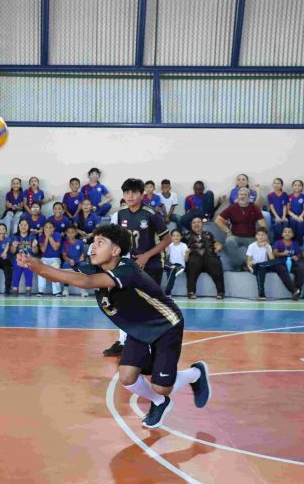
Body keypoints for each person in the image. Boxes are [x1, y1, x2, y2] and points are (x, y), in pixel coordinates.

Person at [17, 223, 212, 429]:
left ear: (116, 250)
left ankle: (196, 374)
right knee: (127, 377)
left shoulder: (127, 270)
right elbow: (67, 273)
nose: (93, 247)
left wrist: (39, 266)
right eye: (93, 242)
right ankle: (159, 403)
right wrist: (33, 265)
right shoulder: (95, 267)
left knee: (161, 386)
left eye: (100, 243)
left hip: (165, 325)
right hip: (138, 329)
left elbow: (86, 282)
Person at [103, 178, 171, 356]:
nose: (130, 196)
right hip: (130, 264)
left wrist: (147, 255)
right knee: (124, 303)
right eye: (126, 192)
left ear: (142, 194)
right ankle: (123, 341)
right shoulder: (120, 215)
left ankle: (150, 343)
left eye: (133, 192)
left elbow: (167, 239)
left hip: (152, 264)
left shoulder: (151, 214)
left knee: (148, 306)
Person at [215, 187, 265, 270]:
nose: (242, 196)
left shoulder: (254, 207)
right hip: (235, 236)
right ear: (237, 196)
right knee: (229, 241)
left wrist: (263, 236)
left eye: (245, 195)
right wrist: (227, 231)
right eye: (241, 194)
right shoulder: (232, 207)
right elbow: (218, 220)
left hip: (251, 237)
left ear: (248, 197)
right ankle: (238, 265)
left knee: (260, 245)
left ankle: (253, 266)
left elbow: (262, 223)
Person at [246, 228, 299, 300]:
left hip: (266, 265)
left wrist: (267, 248)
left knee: (280, 267)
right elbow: (248, 260)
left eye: (262, 235)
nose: (260, 237)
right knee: (260, 267)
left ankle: (293, 290)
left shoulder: (268, 246)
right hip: (256, 266)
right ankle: (261, 294)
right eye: (259, 235)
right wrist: (250, 264)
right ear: (256, 236)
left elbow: (272, 259)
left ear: (266, 237)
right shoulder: (251, 246)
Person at [183, 216, 225, 299]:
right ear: (191, 225)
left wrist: (219, 246)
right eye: (194, 223)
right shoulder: (186, 235)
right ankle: (191, 292)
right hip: (194, 257)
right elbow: (178, 245)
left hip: (209, 257)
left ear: (202, 224)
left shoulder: (208, 234)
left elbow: (217, 244)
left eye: (198, 222)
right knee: (192, 263)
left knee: (216, 263)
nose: (196, 224)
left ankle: (221, 292)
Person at [9, 218, 36, 295]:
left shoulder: (32, 236)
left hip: (28, 258)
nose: (23, 227)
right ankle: (15, 288)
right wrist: (14, 246)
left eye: (25, 225)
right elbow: (12, 252)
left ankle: (28, 289)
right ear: (18, 226)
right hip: (18, 258)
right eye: (21, 225)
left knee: (28, 265)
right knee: (17, 265)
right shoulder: (15, 236)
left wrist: (34, 246)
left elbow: (35, 251)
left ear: (28, 226)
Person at [162, 229, 188, 294]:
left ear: (181, 237)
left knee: (171, 272)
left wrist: (187, 253)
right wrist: (166, 250)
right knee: (162, 265)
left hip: (179, 265)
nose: (175, 237)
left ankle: (167, 293)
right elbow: (166, 258)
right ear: (171, 237)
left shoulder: (183, 245)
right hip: (171, 265)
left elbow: (186, 260)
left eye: (177, 236)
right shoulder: (170, 245)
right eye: (173, 236)